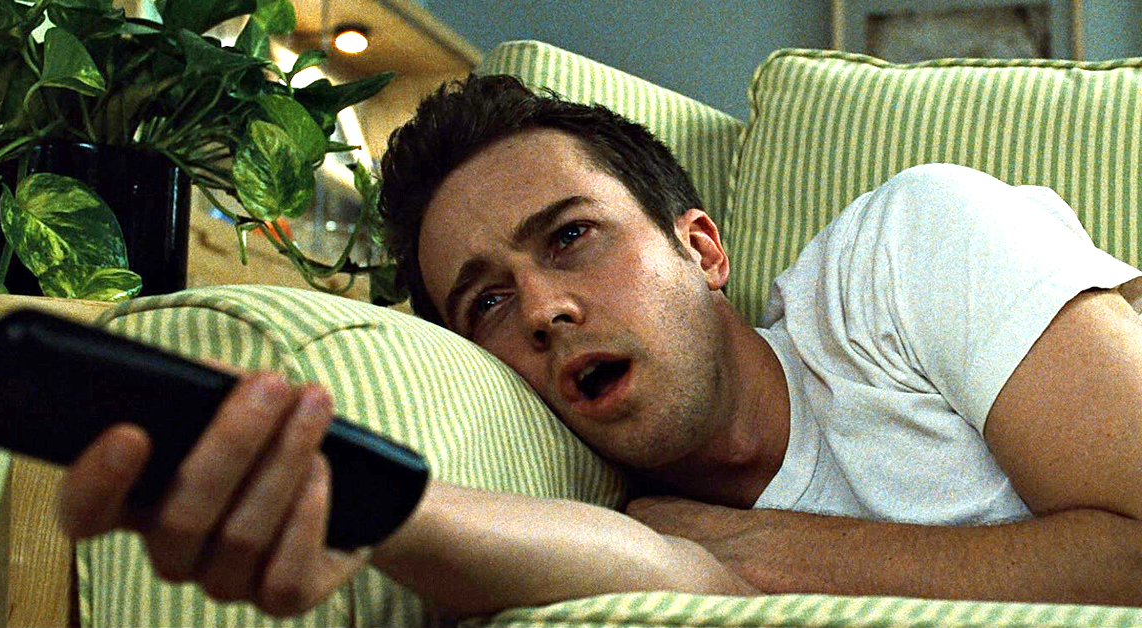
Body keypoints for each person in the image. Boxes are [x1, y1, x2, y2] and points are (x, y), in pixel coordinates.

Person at [58, 74, 1142, 618]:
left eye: (571, 237)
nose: (540, 309)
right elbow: (663, 568)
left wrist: (756, 551)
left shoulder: (906, 250)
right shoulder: (640, 519)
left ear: (701, 249)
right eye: (485, 302)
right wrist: (324, 487)